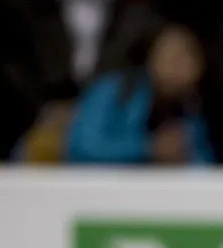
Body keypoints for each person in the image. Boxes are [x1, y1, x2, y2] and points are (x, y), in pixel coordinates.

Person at [65, 22, 214, 165]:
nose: (179, 66)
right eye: (173, 56)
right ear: (151, 56)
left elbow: (205, 164)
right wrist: (149, 148)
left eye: (188, 56)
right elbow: (82, 148)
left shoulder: (190, 107)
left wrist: (184, 157)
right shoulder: (115, 90)